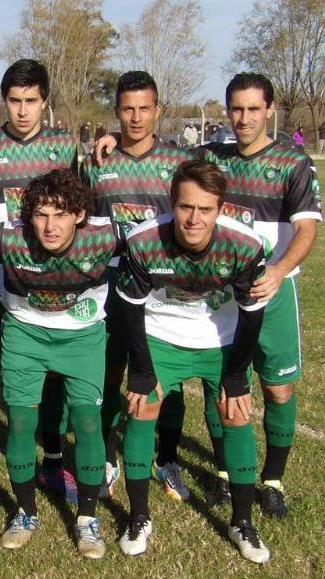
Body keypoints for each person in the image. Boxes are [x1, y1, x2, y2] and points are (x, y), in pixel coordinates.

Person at [95, 73, 321, 515]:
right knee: (222, 384)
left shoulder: (292, 161)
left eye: (254, 109)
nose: (244, 118)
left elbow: (308, 229)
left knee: (276, 389)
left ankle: (272, 480)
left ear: (269, 111)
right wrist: (109, 138)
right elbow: (158, 161)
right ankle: (221, 472)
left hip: (266, 285)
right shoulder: (208, 155)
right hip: (214, 292)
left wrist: (276, 271)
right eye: (236, 109)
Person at [116, 159, 270, 563]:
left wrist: (237, 375)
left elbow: (253, 314)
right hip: (161, 334)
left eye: (205, 209)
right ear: (173, 203)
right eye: (186, 207)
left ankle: (242, 522)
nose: (194, 218)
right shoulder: (143, 240)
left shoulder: (244, 245)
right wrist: (143, 372)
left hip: (220, 338)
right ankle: (139, 516)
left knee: (236, 414)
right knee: (142, 406)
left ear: (220, 209)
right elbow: (131, 310)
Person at [0, 169, 121, 559]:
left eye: (62, 214)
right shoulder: (5, 238)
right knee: (19, 421)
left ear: (80, 215)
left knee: (86, 422)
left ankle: (87, 519)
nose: (51, 226)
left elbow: (161, 239)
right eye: (41, 214)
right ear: (27, 216)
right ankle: (25, 511)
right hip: (25, 334)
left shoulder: (108, 236)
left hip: (83, 336)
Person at [0, 58, 79, 504]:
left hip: (48, 274)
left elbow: (78, 203)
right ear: (4, 102)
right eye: (15, 101)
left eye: (31, 100)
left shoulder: (65, 147)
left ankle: (52, 458)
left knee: (50, 370)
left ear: (44, 102)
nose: (23, 110)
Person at [83, 71, 193, 502]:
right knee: (111, 371)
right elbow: (85, 220)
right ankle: (110, 456)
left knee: (168, 376)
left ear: (157, 110)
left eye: (144, 108)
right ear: (117, 112)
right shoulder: (99, 162)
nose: (135, 117)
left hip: (163, 284)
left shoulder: (177, 164)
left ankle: (167, 458)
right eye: (127, 108)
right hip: (111, 280)